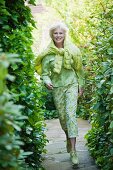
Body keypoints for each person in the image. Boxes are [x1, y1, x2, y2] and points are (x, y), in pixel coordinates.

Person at [35, 22, 84, 165]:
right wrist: (46, 80)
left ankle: (74, 151)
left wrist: (81, 84)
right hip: (57, 88)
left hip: (71, 84)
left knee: (70, 115)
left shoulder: (73, 50)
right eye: (55, 33)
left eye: (60, 33)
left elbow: (79, 69)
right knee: (63, 118)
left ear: (65, 35)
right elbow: (44, 73)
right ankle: (68, 138)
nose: (58, 36)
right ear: (52, 35)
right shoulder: (47, 54)